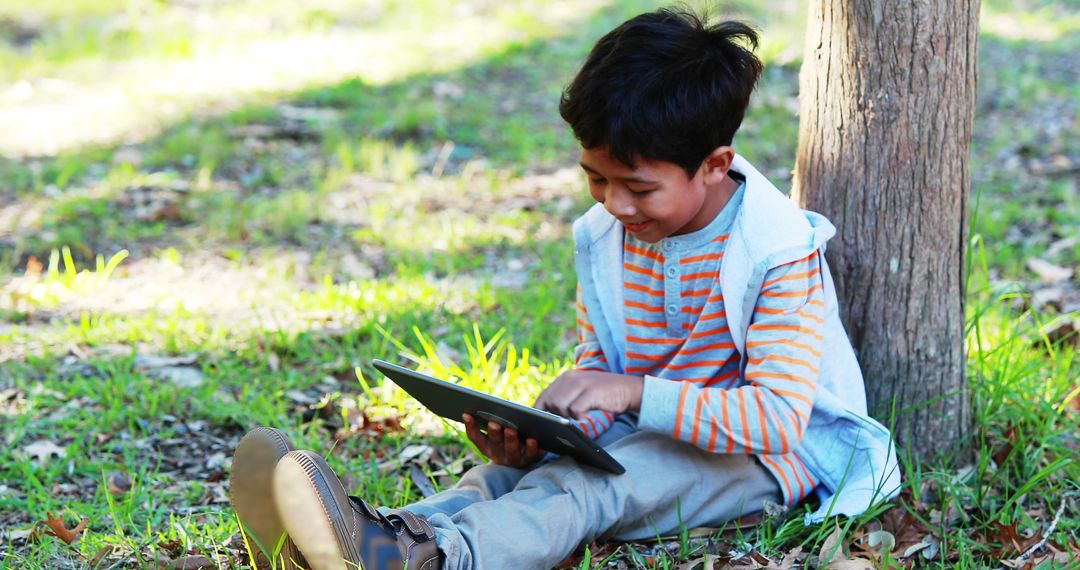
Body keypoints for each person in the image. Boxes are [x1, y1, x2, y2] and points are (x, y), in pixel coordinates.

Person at [229, 7, 901, 570]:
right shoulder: (606, 235)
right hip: (646, 431)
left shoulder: (774, 251)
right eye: (595, 178)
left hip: (765, 461)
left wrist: (629, 394)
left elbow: (779, 419)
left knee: (580, 490)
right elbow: (604, 364)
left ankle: (431, 561)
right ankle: (356, 541)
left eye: (637, 187)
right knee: (502, 478)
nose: (614, 204)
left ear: (715, 164)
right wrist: (562, 424)